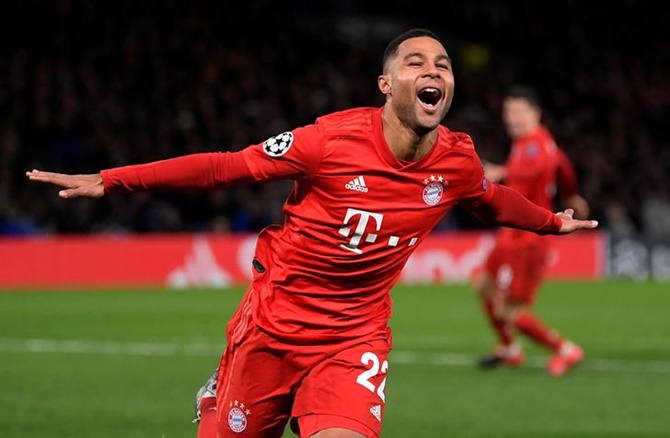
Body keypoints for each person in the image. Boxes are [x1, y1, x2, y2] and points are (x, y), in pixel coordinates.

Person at [26, 29, 597, 438]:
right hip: (274, 327)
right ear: (385, 83)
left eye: (443, 64)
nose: (433, 71)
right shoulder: (327, 142)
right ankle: (217, 401)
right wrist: (114, 180)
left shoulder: (456, 162)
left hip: (355, 338)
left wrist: (550, 221)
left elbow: (492, 200)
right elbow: (226, 165)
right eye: (416, 62)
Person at [473, 84, 591, 377]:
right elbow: (563, 166)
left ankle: (565, 349)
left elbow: (538, 166)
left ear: (535, 113)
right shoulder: (532, 143)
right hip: (510, 233)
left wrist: (503, 174)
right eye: (507, 112)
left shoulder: (537, 146)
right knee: (483, 285)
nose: (511, 118)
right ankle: (510, 348)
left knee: (508, 312)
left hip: (529, 238)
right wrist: (573, 194)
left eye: (518, 112)